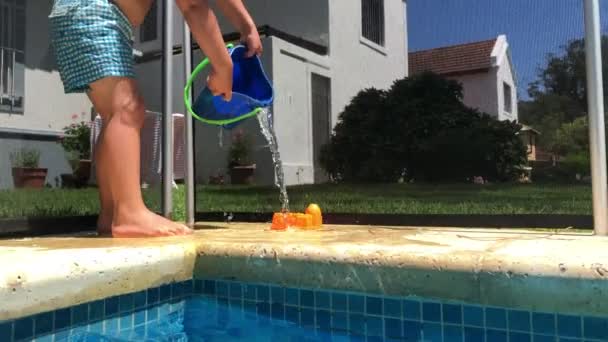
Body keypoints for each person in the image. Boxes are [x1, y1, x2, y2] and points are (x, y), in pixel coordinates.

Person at [48, 0, 263, 237]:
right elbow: (192, 6)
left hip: (94, 15)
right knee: (126, 108)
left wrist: (246, 25)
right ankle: (129, 213)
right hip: (95, 12)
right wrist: (223, 66)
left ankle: (112, 213)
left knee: (115, 113)